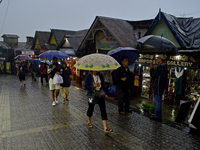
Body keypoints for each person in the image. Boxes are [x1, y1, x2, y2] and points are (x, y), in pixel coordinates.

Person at [150, 54, 168, 121]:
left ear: (161, 60)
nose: (157, 60)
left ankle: (157, 116)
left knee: (157, 101)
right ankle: (158, 115)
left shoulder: (160, 67)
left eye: (158, 58)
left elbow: (153, 74)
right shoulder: (165, 67)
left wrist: (151, 68)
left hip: (158, 87)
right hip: (161, 87)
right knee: (159, 101)